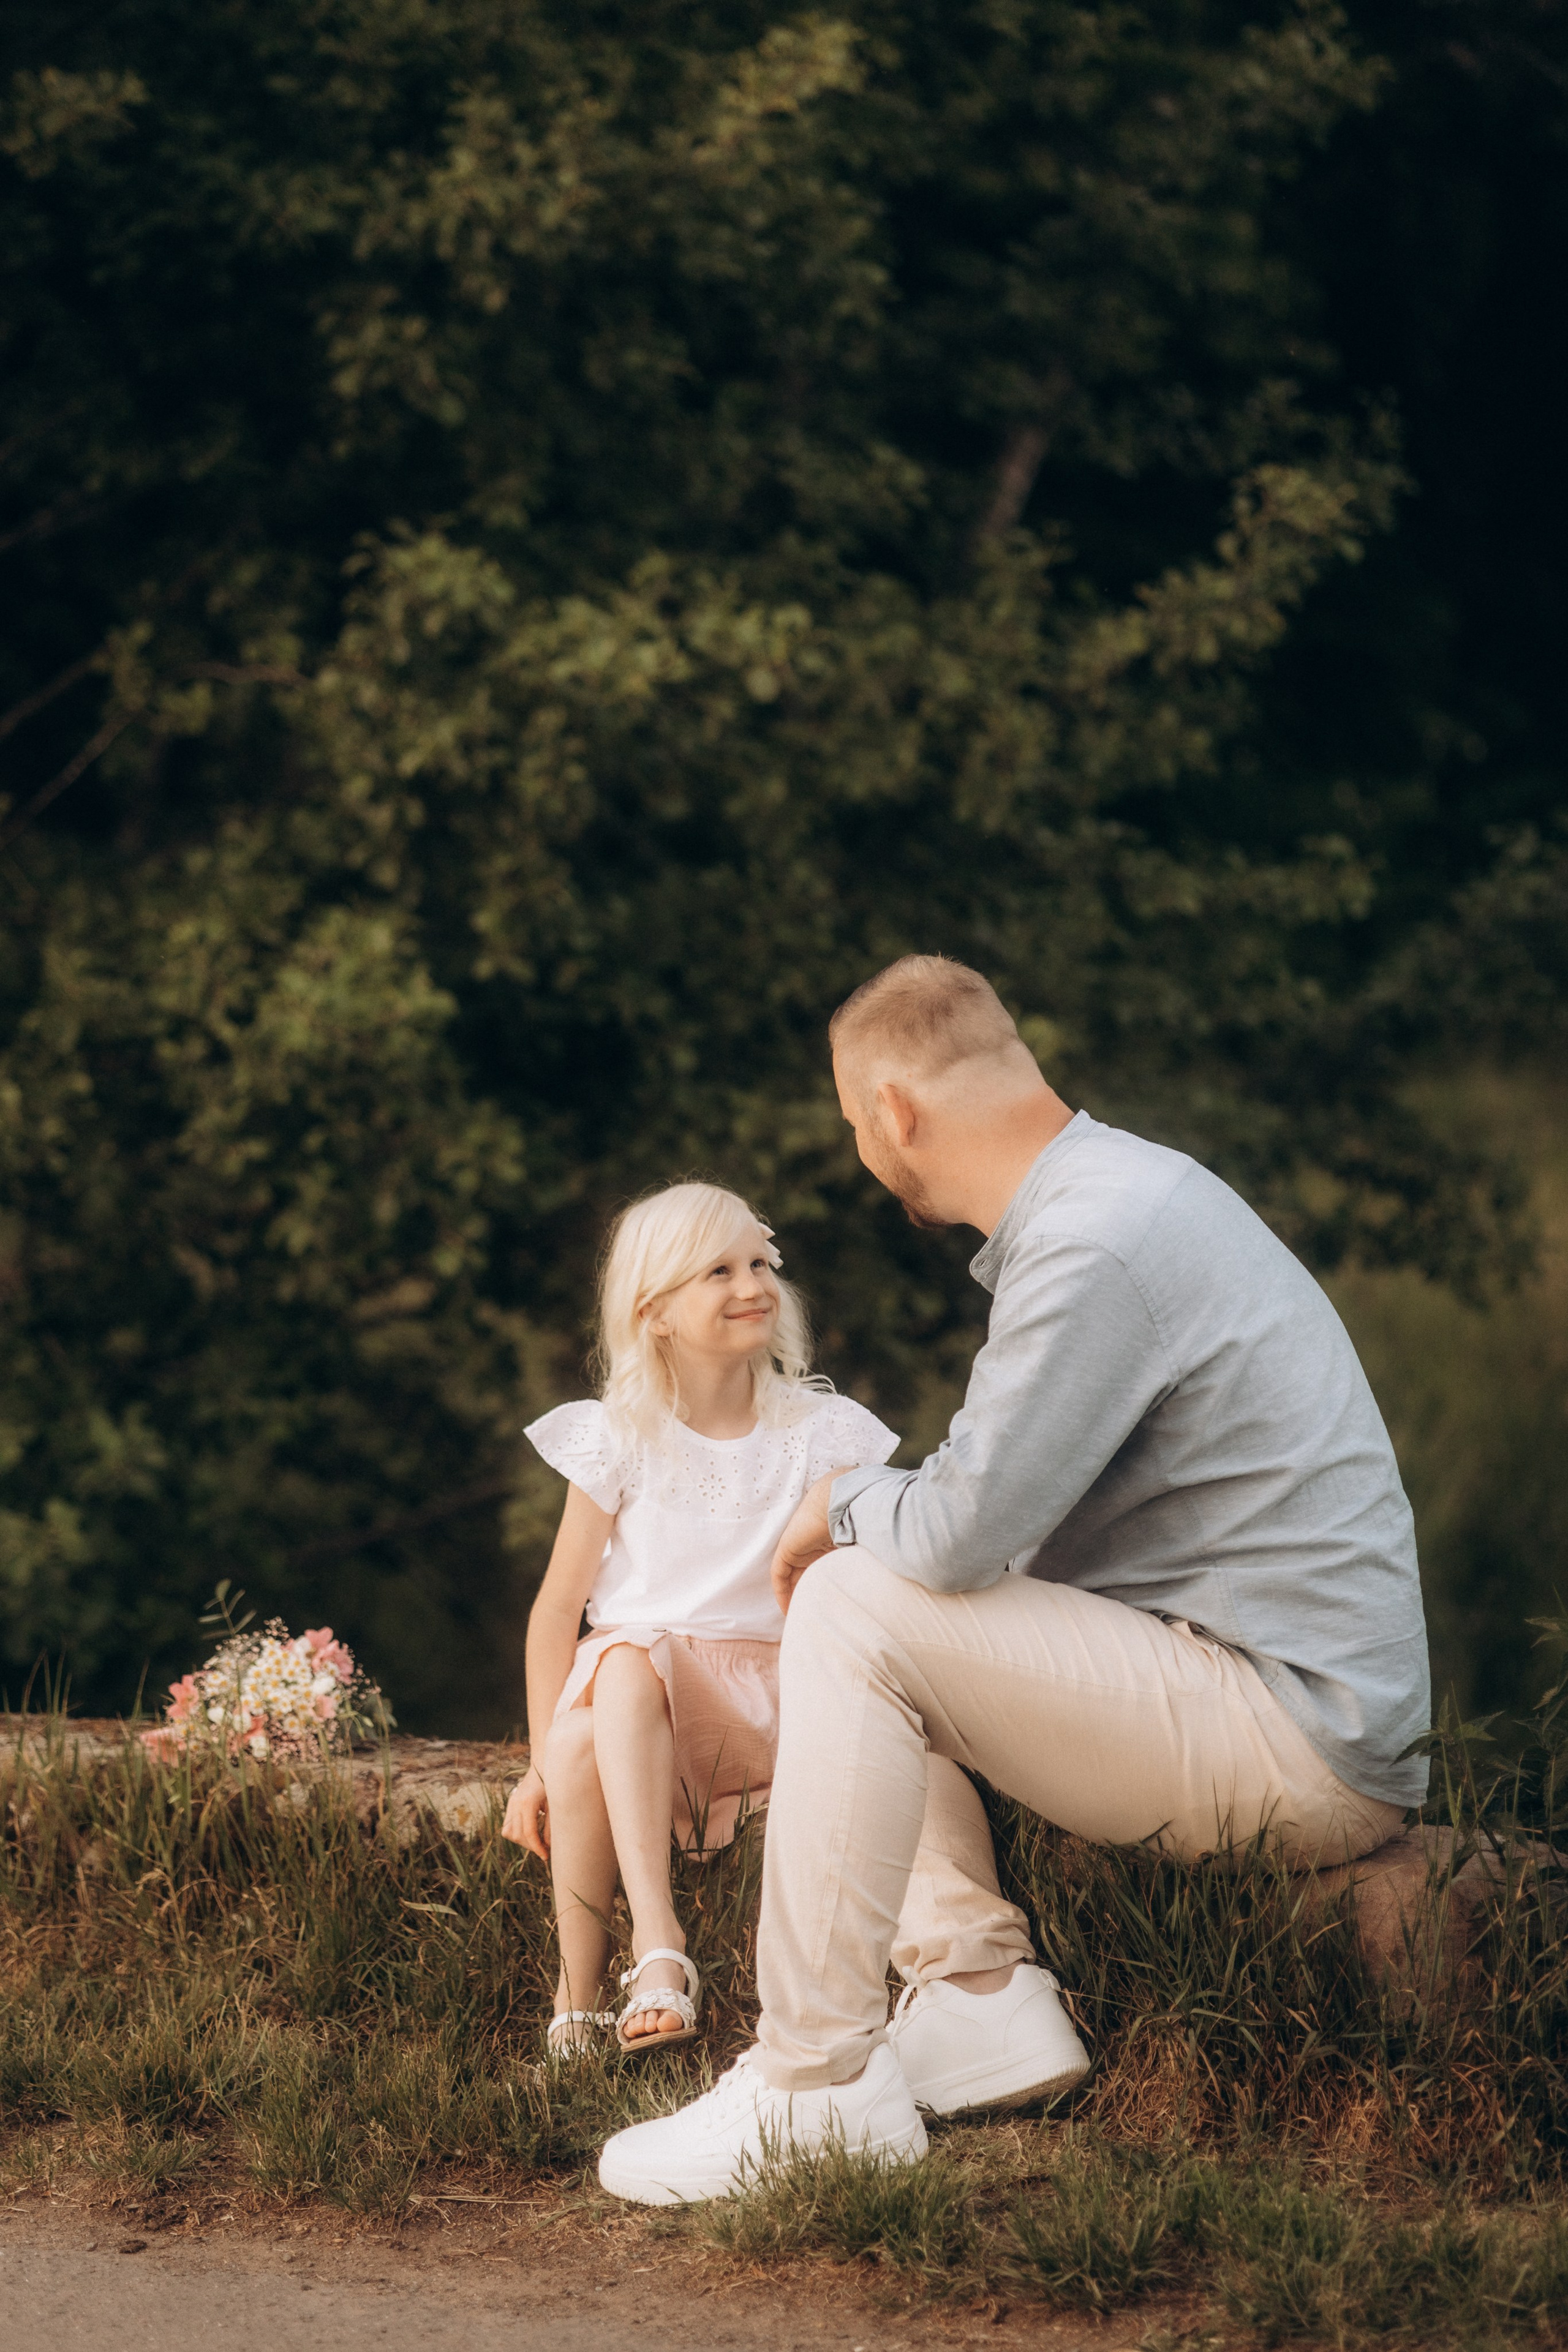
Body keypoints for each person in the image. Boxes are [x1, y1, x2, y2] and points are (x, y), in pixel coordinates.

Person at [598, 956, 1430, 2203]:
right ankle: (981, 2003)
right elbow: (988, 1527)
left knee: (852, 1595)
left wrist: (838, 1503)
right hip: (1272, 1700)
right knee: (882, 1602)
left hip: (1295, 1735)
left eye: (851, 1128)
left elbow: (946, 1537)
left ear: (890, 1115)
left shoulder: (1092, 1243)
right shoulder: (1119, 1198)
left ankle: (812, 2086)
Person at [502, 1180, 898, 2057]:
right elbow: (556, 1611)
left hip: (778, 1699)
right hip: (643, 1711)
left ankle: (649, 1959)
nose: (751, 1284)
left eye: (760, 1263)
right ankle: (600, 1982)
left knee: (619, 1667)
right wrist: (533, 1766)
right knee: (603, 1692)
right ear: (656, 1313)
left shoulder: (820, 1432)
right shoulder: (620, 1435)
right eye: (718, 1271)